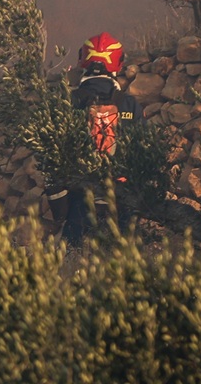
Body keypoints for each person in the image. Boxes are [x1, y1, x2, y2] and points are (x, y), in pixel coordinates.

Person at [57, 32, 141, 243]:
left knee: (72, 259)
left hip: (80, 196)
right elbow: (144, 148)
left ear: (82, 61)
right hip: (122, 196)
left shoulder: (69, 102)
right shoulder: (129, 105)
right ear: (119, 64)